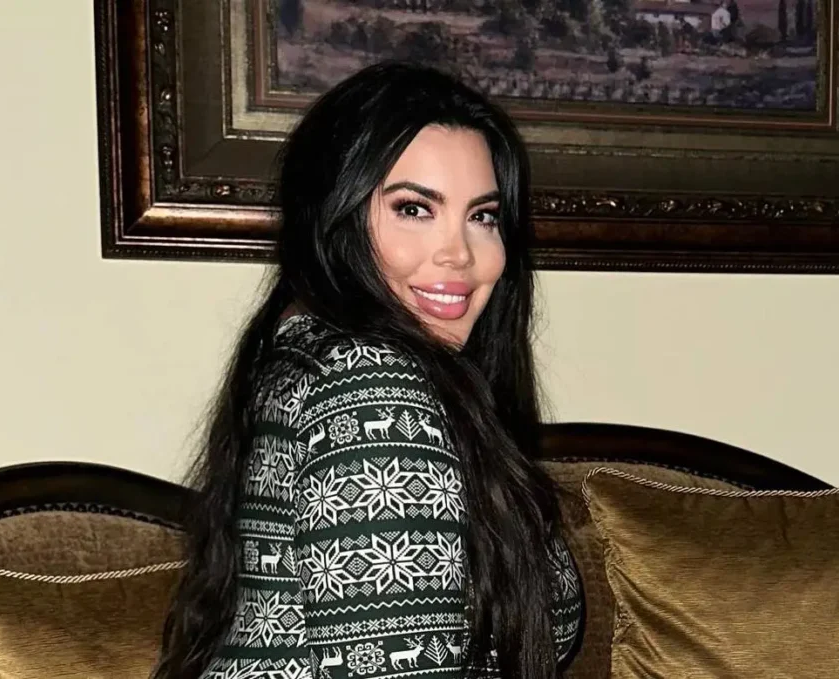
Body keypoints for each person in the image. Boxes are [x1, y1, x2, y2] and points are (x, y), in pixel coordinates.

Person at [152, 61, 582, 679]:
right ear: (337, 216)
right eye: (415, 209)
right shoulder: (369, 386)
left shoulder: (308, 353)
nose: (459, 254)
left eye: (482, 216)